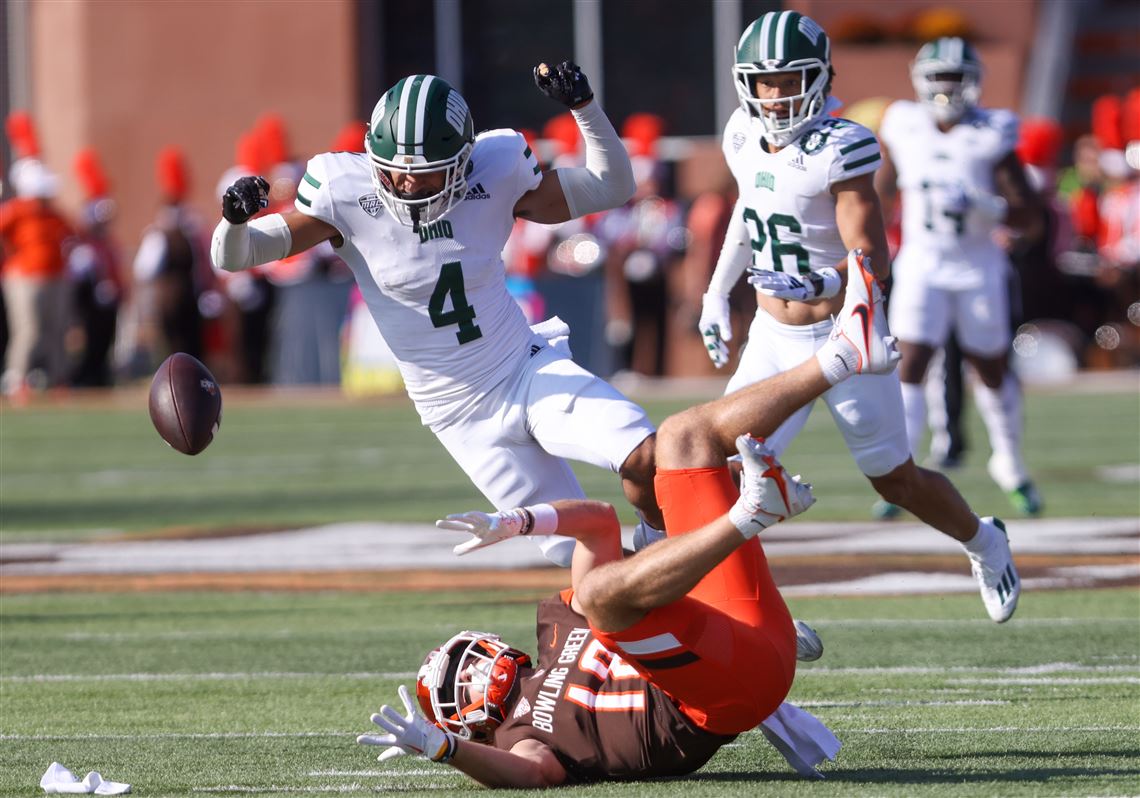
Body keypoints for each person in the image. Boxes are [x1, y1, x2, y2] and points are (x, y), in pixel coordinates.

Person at [353, 257, 934, 785]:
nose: (474, 664)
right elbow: (534, 777)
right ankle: (750, 512)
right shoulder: (515, 736)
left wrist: (517, 521)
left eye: (464, 655)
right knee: (601, 595)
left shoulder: (554, 627)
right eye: (460, 676)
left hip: (741, 627)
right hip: (724, 697)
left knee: (679, 439)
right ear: (465, 720)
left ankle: (844, 355)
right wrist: (444, 751)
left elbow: (600, 524)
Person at [210, 63, 663, 565]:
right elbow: (235, 256)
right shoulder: (346, 194)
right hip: (456, 414)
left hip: (524, 369)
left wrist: (585, 108)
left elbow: (610, 187)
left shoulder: (497, 170)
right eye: (392, 166)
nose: (404, 181)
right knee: (583, 559)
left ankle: (662, 547)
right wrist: (234, 221)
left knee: (645, 456)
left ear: (463, 161)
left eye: (422, 170)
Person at [695, 11, 1019, 622]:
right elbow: (750, 209)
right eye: (763, 82)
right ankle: (763, 617)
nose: (776, 94)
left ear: (820, 78)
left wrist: (823, 279)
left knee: (893, 479)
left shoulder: (841, 144)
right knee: (718, 469)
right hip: (770, 337)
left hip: (842, 337)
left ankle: (984, 540)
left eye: (790, 80)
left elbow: (872, 255)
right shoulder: (741, 132)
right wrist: (716, 293)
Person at [875, 37, 1046, 517]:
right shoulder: (903, 125)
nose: (948, 89)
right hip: (923, 263)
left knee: (990, 366)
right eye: (940, 78)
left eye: (957, 78)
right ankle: (902, 470)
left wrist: (989, 207)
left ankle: (1009, 462)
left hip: (977, 266)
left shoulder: (992, 131)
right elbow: (878, 196)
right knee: (908, 362)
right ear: (920, 80)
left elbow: (1031, 217)